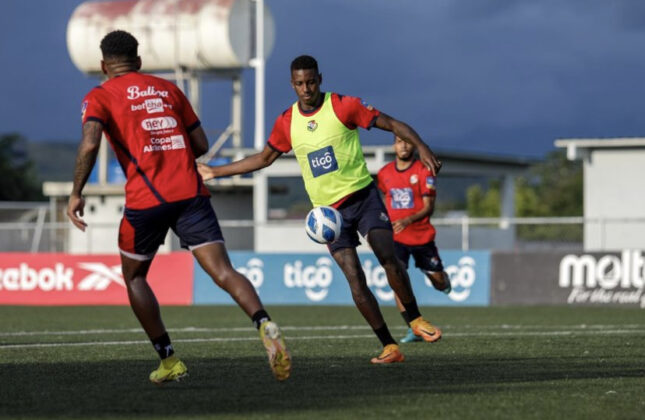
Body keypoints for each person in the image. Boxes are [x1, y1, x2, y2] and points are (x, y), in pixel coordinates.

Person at [66, 30, 290, 384]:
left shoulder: (99, 95)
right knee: (223, 271)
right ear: (139, 61)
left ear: (103, 66)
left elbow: (90, 144)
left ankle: (169, 360)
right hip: (190, 193)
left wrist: (76, 192)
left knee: (135, 277)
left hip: (146, 199)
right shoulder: (167, 89)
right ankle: (264, 322)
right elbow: (200, 143)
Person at [198, 55, 443, 364]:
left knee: (388, 258)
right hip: (329, 216)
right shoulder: (287, 121)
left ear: (320, 79)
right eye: (300, 83)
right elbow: (263, 158)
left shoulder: (343, 105)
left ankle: (415, 319)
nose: (306, 89)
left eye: (311, 82)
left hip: (363, 198)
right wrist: (216, 171)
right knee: (355, 278)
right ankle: (389, 346)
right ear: (292, 84)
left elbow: (392, 124)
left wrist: (422, 147)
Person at [377, 135, 452, 343]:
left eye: (407, 142)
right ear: (394, 145)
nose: (403, 145)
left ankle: (442, 279)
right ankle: (413, 326)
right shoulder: (384, 173)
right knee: (397, 279)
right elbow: (383, 202)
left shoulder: (423, 170)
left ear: (413, 146)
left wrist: (407, 220)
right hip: (396, 238)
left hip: (421, 236)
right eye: (399, 141)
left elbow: (429, 208)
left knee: (439, 283)